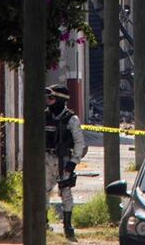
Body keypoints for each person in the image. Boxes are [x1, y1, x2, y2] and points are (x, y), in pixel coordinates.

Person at [44, 84, 86, 239]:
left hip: (64, 161)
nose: (49, 101)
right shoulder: (45, 116)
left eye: (52, 98)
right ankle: (44, 223)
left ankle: (67, 225)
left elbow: (79, 143)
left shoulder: (71, 119)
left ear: (60, 100)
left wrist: (73, 163)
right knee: (43, 192)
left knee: (66, 193)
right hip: (46, 159)